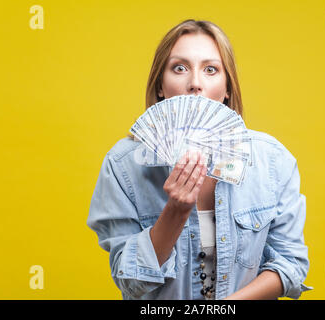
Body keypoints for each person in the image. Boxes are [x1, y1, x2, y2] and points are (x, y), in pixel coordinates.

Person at [87, 19, 313, 300]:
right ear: (160, 86)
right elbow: (131, 282)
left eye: (210, 69)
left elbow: (290, 265)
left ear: (227, 88)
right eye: (179, 68)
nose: (195, 83)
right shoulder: (123, 166)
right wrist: (176, 211)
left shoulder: (272, 161)